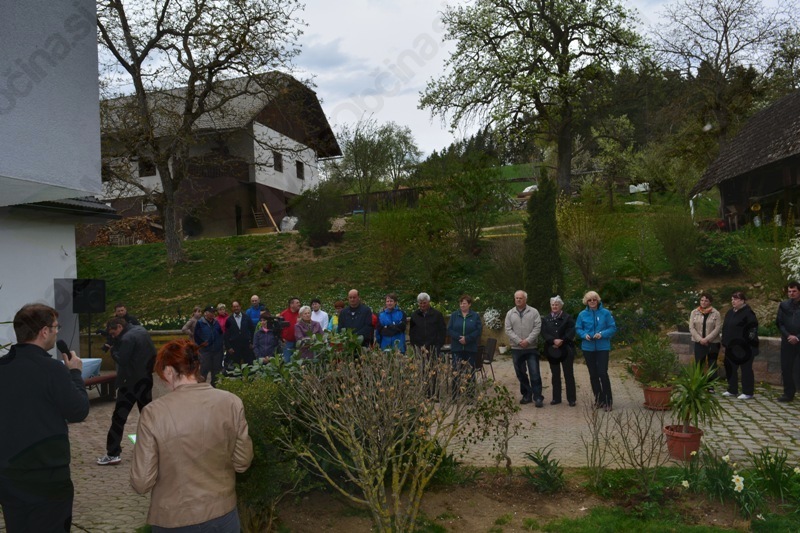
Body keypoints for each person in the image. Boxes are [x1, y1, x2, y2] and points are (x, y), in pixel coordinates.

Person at [130, 340, 253, 531]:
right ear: (197, 367)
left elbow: (142, 482)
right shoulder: (231, 402)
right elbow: (242, 462)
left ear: (169, 371)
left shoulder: (153, 413)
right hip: (223, 514)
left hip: (175, 519)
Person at [0, 304, 88, 532]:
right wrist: (75, 373)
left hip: (8, 475)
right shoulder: (51, 369)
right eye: (56, 327)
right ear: (44, 331)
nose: (57, 332)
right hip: (46, 476)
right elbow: (78, 410)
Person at [97, 317, 157, 466]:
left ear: (119, 326)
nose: (113, 336)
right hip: (146, 379)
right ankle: (156, 449)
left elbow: (122, 360)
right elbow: (153, 353)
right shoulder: (142, 331)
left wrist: (113, 350)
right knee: (148, 417)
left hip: (130, 383)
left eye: (113, 333)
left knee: (119, 418)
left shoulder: (127, 338)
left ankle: (113, 453)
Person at [576, 291, 617, 411]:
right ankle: (599, 400)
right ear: (586, 302)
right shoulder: (582, 314)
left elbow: (612, 328)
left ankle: (608, 402)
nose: (592, 302)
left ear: (598, 300)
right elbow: (578, 328)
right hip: (588, 348)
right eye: (590, 300)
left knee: (603, 373)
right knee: (593, 375)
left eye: (594, 299)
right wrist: (584, 335)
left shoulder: (606, 313)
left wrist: (602, 334)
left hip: (602, 347)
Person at [504, 290, 544, 407]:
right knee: (521, 373)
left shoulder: (534, 312)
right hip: (516, 348)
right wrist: (518, 341)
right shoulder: (510, 313)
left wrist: (528, 340)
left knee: (534, 373)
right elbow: (508, 329)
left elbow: (537, 327)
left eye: (520, 298)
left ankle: (538, 397)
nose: (518, 300)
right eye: (516, 298)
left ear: (525, 299)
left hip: (531, 347)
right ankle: (526, 395)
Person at [721, 291, 759, 400]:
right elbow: (725, 328)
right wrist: (724, 342)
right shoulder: (730, 312)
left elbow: (752, 330)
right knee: (730, 368)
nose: (733, 301)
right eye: (732, 299)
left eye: (736, 299)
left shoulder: (748, 313)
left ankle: (748, 392)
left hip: (745, 348)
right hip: (731, 346)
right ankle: (732, 389)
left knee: (746, 369)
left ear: (742, 301)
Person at [541, 295, 577, 407]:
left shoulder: (567, 317)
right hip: (552, 350)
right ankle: (556, 398)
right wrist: (553, 340)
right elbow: (544, 332)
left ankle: (571, 399)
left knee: (568, 374)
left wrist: (563, 340)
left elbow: (572, 330)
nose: (554, 306)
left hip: (566, 349)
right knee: (555, 374)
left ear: (561, 306)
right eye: (552, 304)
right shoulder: (546, 319)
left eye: (556, 304)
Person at [689, 292, 722, 392]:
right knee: (699, 363)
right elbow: (691, 327)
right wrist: (700, 339)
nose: (703, 302)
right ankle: (700, 384)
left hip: (713, 343)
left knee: (712, 364)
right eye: (702, 300)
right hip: (699, 342)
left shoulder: (716, 313)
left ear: (710, 302)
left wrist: (707, 339)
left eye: (706, 301)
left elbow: (718, 328)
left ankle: (711, 386)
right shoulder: (694, 312)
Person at [447, 294, 483, 385]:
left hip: (470, 348)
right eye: (461, 303)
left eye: (464, 303)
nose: (462, 305)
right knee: (456, 371)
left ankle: (470, 391)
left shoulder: (475, 316)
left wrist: (467, 339)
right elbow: (449, 329)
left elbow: (478, 330)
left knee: (470, 372)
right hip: (457, 348)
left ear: (469, 304)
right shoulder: (454, 315)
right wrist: (459, 338)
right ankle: (456, 391)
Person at [776, 281, 800, 402]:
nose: (791, 293)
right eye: (789, 291)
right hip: (787, 341)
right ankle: (788, 393)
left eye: (794, 291)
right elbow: (779, 323)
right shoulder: (784, 305)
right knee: (786, 367)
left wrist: (797, 337)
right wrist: (788, 336)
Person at [194, 305, 224, 386]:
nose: (212, 314)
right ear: (206, 313)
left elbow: (220, 333)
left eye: (213, 312)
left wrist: (220, 344)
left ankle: (214, 386)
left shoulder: (216, 322)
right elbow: (196, 336)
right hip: (205, 351)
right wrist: (201, 343)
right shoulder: (200, 323)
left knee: (216, 370)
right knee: (204, 369)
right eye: (211, 312)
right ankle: (201, 386)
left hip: (217, 351)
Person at [224, 300, 255, 367]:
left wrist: (252, 342)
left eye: (237, 306)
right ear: (232, 308)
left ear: (240, 307)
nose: (236, 308)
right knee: (236, 366)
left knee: (249, 365)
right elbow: (226, 335)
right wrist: (229, 347)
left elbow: (252, 330)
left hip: (246, 345)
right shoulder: (229, 320)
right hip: (234, 346)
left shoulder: (246, 317)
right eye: (234, 307)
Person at [279, 297, 301, 362]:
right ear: (291, 305)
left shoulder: (301, 313)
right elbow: (279, 327)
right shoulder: (284, 314)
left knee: (298, 361)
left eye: (299, 302)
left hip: (299, 342)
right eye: (297, 303)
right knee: (287, 360)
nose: (299, 304)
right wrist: (281, 338)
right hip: (287, 342)